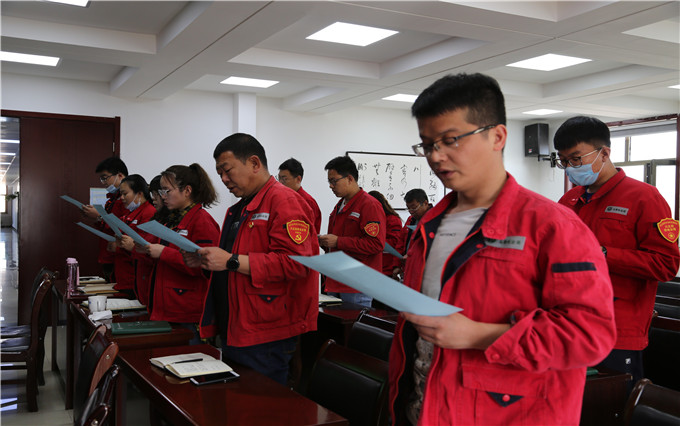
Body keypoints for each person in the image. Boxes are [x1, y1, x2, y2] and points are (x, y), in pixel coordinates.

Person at [389, 73, 616, 426]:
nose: (436, 156)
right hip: (423, 407)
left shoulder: (552, 226)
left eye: (450, 140)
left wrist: (479, 335)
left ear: (497, 136)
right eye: (427, 144)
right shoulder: (431, 224)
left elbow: (590, 336)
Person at [553, 116, 680, 389]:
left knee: (610, 402)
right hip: (568, 322)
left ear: (604, 153)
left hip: (617, 329)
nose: (570, 167)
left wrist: (602, 253)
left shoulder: (645, 197)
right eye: (564, 161)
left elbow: (666, 264)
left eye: (576, 159)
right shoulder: (569, 200)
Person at [188, 133, 319, 385]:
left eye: (227, 171)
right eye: (219, 174)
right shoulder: (240, 208)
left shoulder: (284, 201)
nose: (224, 180)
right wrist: (207, 261)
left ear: (254, 163)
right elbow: (232, 259)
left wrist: (231, 261)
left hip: (266, 331)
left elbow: (297, 263)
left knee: (260, 402)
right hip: (238, 324)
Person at [145, 164, 220, 344]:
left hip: (187, 312)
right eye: (161, 191)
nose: (163, 196)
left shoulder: (202, 221)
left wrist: (164, 253)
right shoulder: (172, 218)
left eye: (167, 191)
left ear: (187, 191)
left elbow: (206, 267)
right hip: (168, 307)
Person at [319, 156, 386, 308]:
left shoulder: (369, 205)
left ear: (349, 178)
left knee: (353, 322)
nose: (331, 186)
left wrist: (338, 241)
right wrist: (324, 242)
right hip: (337, 279)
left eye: (334, 181)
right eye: (329, 181)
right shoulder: (340, 205)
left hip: (357, 284)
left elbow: (376, 244)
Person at [81, 157, 128, 283]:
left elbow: (123, 227)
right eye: (101, 178)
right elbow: (106, 227)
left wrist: (100, 216)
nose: (103, 182)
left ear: (120, 176)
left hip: (119, 256)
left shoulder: (127, 200)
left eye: (105, 177)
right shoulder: (111, 199)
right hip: (108, 255)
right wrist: (94, 217)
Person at [113, 174, 156, 298]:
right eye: (120, 194)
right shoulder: (131, 212)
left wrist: (131, 246)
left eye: (125, 194)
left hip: (135, 278)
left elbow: (146, 247)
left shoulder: (149, 212)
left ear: (139, 194)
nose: (121, 198)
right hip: (124, 276)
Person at [392, 188, 432, 280]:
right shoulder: (410, 220)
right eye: (408, 208)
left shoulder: (434, 220)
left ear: (425, 203)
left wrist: (413, 256)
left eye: (414, 207)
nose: (411, 211)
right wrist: (396, 265)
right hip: (409, 269)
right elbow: (400, 243)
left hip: (425, 272)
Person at [278, 158, 322, 234]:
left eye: (284, 179)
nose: (280, 183)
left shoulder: (308, 202)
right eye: (279, 178)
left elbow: (311, 233)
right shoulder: (280, 199)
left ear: (298, 179)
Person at [368, 190, 403, 277]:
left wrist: (372, 242)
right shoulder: (369, 219)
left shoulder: (392, 219)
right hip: (371, 265)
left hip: (386, 266)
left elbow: (395, 242)